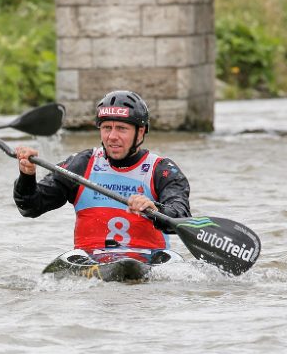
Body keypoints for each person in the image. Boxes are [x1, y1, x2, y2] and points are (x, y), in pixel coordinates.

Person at [13, 90, 190, 261]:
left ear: (140, 132)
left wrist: (155, 210)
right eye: (106, 128)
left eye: (121, 128)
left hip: (147, 261)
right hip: (91, 261)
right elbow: (30, 207)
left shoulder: (161, 170)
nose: (112, 136)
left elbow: (181, 216)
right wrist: (27, 176)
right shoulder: (81, 164)